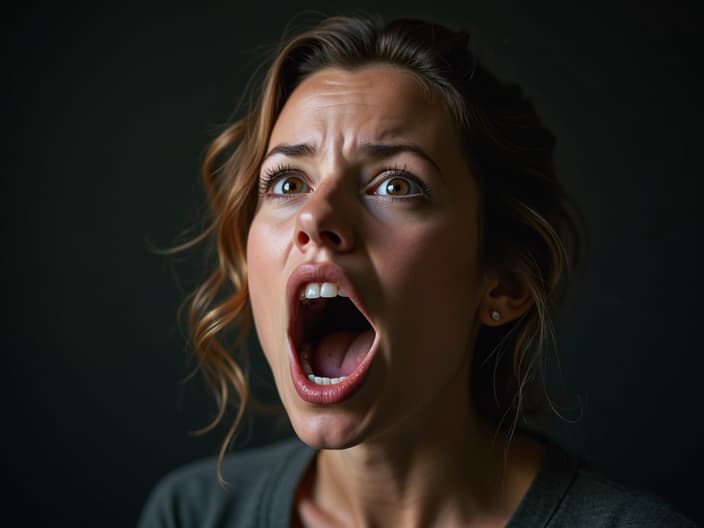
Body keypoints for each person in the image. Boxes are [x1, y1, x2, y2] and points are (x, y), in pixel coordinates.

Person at [139, 14, 697, 527]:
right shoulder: (191, 514)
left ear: (504, 282)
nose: (315, 215)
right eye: (288, 182)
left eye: (395, 184)